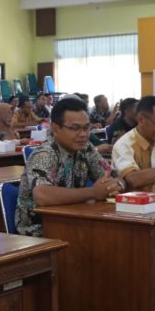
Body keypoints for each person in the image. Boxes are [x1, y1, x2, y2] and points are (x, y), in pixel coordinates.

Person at [15, 96, 121, 237]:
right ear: (55, 128)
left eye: (86, 128)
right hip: (39, 229)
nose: (83, 134)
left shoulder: (86, 148)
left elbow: (111, 176)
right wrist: (93, 192)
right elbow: (42, 195)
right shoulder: (45, 154)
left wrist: (114, 185)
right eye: (75, 128)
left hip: (73, 218)